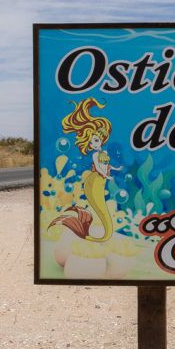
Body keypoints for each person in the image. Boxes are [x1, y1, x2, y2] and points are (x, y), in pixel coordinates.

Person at [49, 98, 121, 242]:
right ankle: (95, 232)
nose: (93, 143)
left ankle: (98, 234)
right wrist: (107, 176)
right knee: (100, 207)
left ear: (102, 139)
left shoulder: (104, 154)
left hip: (100, 180)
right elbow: (99, 168)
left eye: (95, 140)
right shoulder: (95, 154)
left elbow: (106, 165)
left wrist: (115, 168)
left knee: (103, 209)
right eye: (92, 140)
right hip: (94, 180)